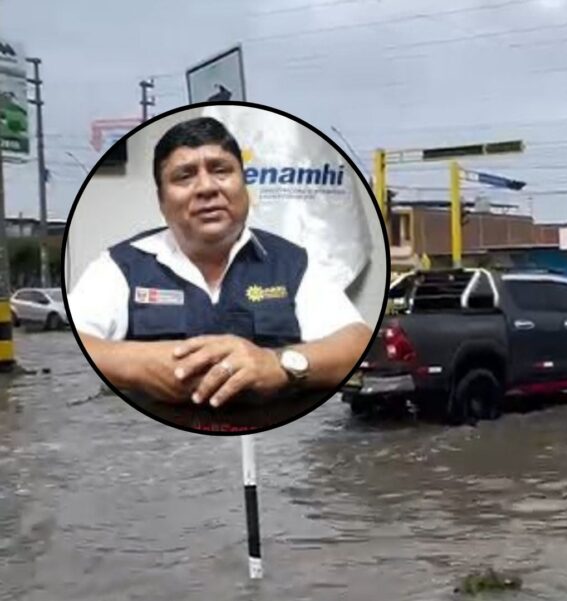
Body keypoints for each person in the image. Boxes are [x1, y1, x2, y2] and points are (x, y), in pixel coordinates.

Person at [68, 116, 373, 429]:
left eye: (220, 170)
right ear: (162, 200)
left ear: (244, 185)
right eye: (184, 176)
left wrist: (279, 363)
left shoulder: (291, 263)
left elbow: (356, 341)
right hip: (153, 455)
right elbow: (72, 346)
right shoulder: (121, 265)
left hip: (279, 450)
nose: (206, 188)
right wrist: (136, 363)